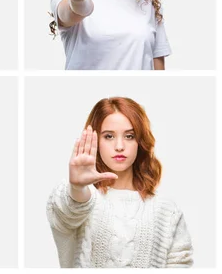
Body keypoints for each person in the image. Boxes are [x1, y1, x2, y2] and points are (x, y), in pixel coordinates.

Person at [47, 97, 193, 267]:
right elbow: (69, 211)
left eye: (129, 136)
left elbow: (181, 264)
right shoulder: (79, 197)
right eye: (109, 136)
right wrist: (78, 188)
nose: (119, 146)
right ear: (96, 140)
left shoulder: (166, 211)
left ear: (140, 142)